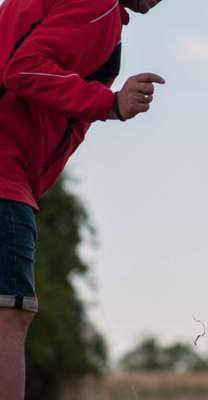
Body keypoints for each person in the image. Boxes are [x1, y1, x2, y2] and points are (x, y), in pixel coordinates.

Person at [0, 0, 165, 398]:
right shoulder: (99, 6)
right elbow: (23, 68)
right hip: (5, 175)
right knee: (9, 316)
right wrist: (109, 103)